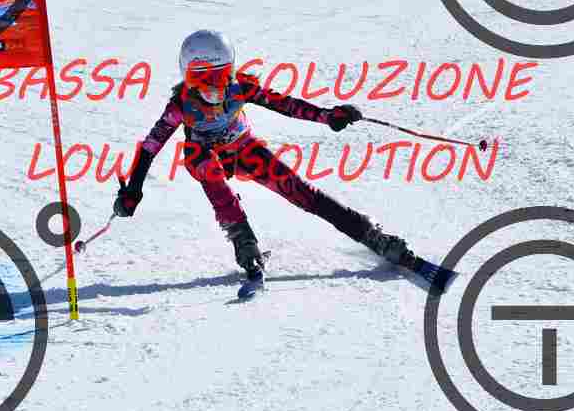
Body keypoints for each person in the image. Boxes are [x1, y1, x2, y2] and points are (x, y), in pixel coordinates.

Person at [112, 29, 451, 294]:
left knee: (301, 193)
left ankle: (372, 236)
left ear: (231, 71)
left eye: (220, 76)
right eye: (203, 78)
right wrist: (133, 189)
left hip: (244, 150)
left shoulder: (240, 88)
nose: (213, 88)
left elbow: (285, 105)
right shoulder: (181, 105)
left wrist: (328, 116)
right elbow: (151, 146)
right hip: (207, 156)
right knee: (203, 162)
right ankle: (243, 240)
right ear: (187, 76)